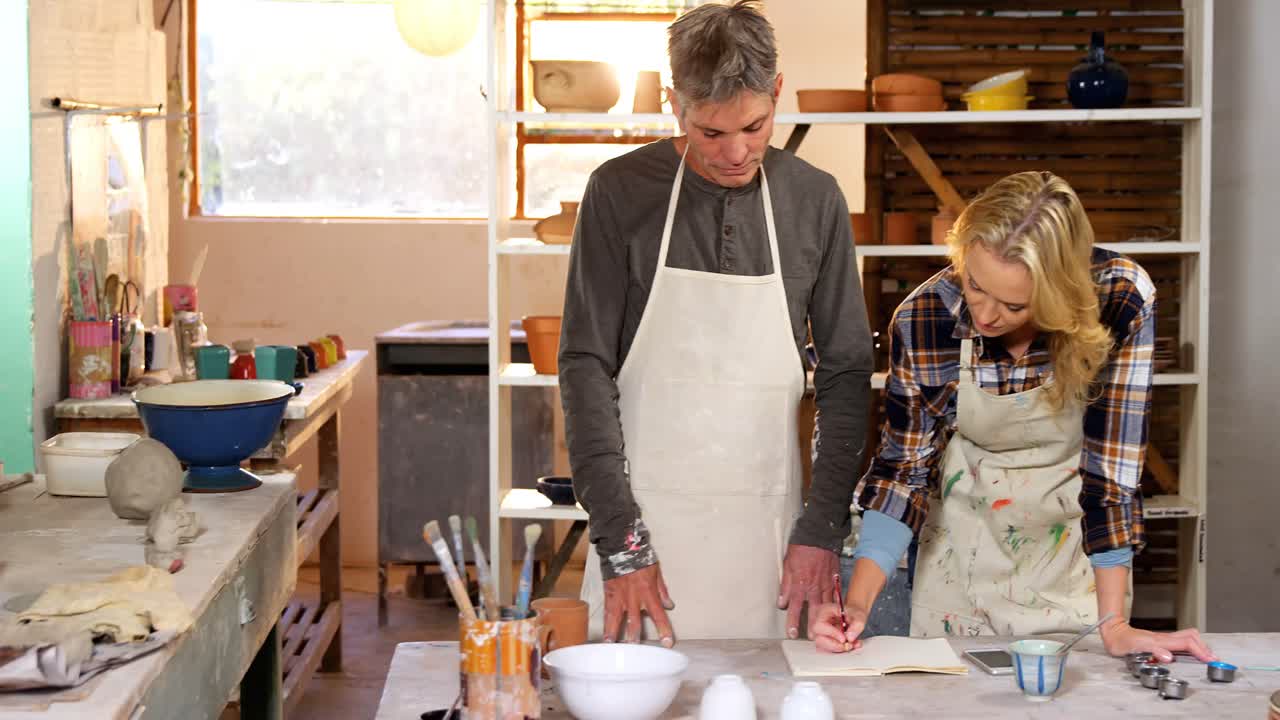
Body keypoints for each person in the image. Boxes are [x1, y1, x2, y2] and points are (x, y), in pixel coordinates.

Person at [558, 0, 874, 646]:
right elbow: (585, 370)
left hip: (772, 556)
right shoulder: (617, 195)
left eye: (755, 127)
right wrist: (621, 541)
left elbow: (846, 374)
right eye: (710, 133)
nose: (736, 152)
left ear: (778, 92)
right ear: (675, 103)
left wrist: (821, 530)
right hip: (645, 546)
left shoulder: (815, 203)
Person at [810, 171, 1215, 663]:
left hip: (1072, 554)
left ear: (1059, 291)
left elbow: (1112, 473)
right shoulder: (925, 318)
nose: (984, 316)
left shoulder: (1119, 299)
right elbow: (903, 473)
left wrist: (1115, 625)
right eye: (976, 286)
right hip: (962, 553)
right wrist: (857, 606)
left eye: (1015, 304)